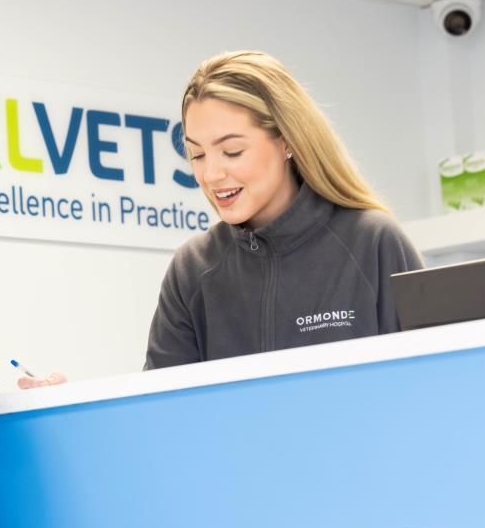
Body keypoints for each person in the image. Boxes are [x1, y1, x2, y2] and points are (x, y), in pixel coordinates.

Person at [144, 50, 424, 369]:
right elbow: (160, 407)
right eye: (197, 155)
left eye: (232, 151)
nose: (211, 175)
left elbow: (433, 385)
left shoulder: (372, 242)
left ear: (287, 140)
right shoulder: (192, 269)